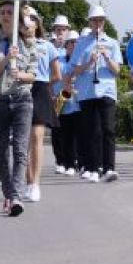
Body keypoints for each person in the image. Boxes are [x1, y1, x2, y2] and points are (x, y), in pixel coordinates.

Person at [0, 0, 38, 216]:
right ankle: (8, 193)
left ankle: (16, 196)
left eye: (10, 12)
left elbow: (33, 74)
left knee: (20, 149)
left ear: (16, 17)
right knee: (1, 151)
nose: (5, 15)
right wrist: (7, 59)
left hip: (23, 99)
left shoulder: (29, 42)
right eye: (2, 12)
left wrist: (21, 75)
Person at [71, 5, 123, 182]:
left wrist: (106, 57)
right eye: (94, 20)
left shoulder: (113, 43)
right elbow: (75, 70)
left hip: (107, 90)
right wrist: (89, 62)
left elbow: (117, 71)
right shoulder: (82, 42)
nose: (97, 24)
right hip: (87, 91)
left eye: (100, 20)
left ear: (104, 22)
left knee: (108, 129)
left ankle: (109, 168)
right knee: (92, 131)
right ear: (90, 22)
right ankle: (93, 168)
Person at [25, 7, 61, 202]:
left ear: (37, 23)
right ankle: (27, 180)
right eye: (24, 19)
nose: (28, 23)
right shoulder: (14, 44)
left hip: (39, 88)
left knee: (37, 136)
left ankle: (36, 183)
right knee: (22, 139)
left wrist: (43, 83)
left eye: (32, 19)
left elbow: (57, 74)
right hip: (20, 89)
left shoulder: (47, 46)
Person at [56, 30, 82, 175]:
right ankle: (68, 163)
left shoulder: (82, 60)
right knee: (65, 135)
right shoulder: (59, 61)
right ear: (66, 45)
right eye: (71, 42)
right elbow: (55, 79)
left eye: (76, 42)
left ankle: (80, 162)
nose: (74, 44)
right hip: (63, 101)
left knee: (80, 135)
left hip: (79, 103)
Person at [49, 15, 71, 173]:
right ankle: (60, 161)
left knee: (72, 128)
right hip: (55, 94)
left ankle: (72, 160)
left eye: (63, 29)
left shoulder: (73, 48)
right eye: (58, 29)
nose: (60, 32)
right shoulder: (50, 49)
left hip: (71, 94)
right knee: (57, 130)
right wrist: (49, 93)